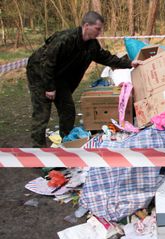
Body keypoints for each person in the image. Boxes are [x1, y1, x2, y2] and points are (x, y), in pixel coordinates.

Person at [27, 11, 140, 147]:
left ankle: (68, 142)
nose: (99, 32)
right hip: (40, 74)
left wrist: (130, 63)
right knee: (42, 113)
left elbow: (106, 57)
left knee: (68, 109)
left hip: (60, 77)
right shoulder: (65, 39)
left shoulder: (92, 45)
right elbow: (47, 62)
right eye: (97, 29)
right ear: (87, 26)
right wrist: (49, 88)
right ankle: (37, 151)